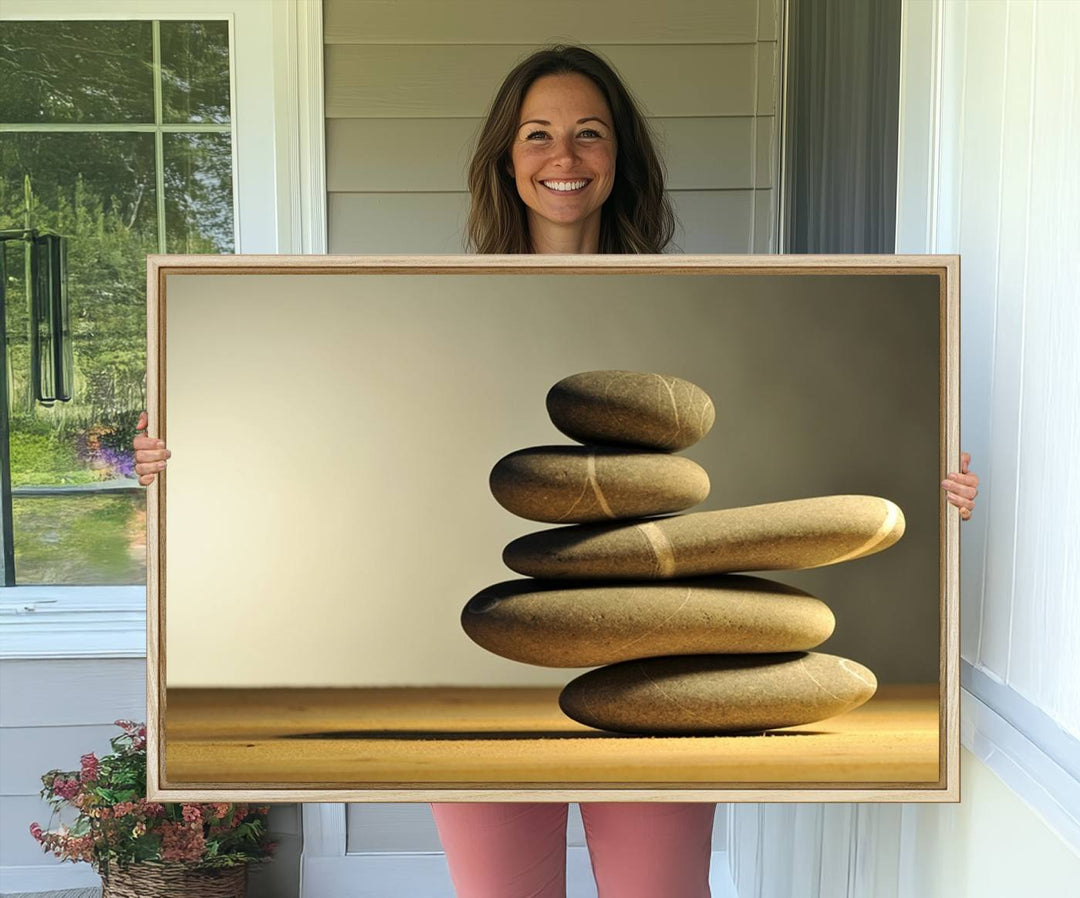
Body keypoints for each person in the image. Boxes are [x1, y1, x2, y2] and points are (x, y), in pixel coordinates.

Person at [134, 45, 980, 898]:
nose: (563, 157)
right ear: (507, 157)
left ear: (620, 158)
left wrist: (938, 489)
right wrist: (181, 464)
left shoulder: (699, 301)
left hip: (655, 679)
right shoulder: (432, 308)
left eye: (589, 134)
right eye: (537, 135)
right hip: (467, 690)